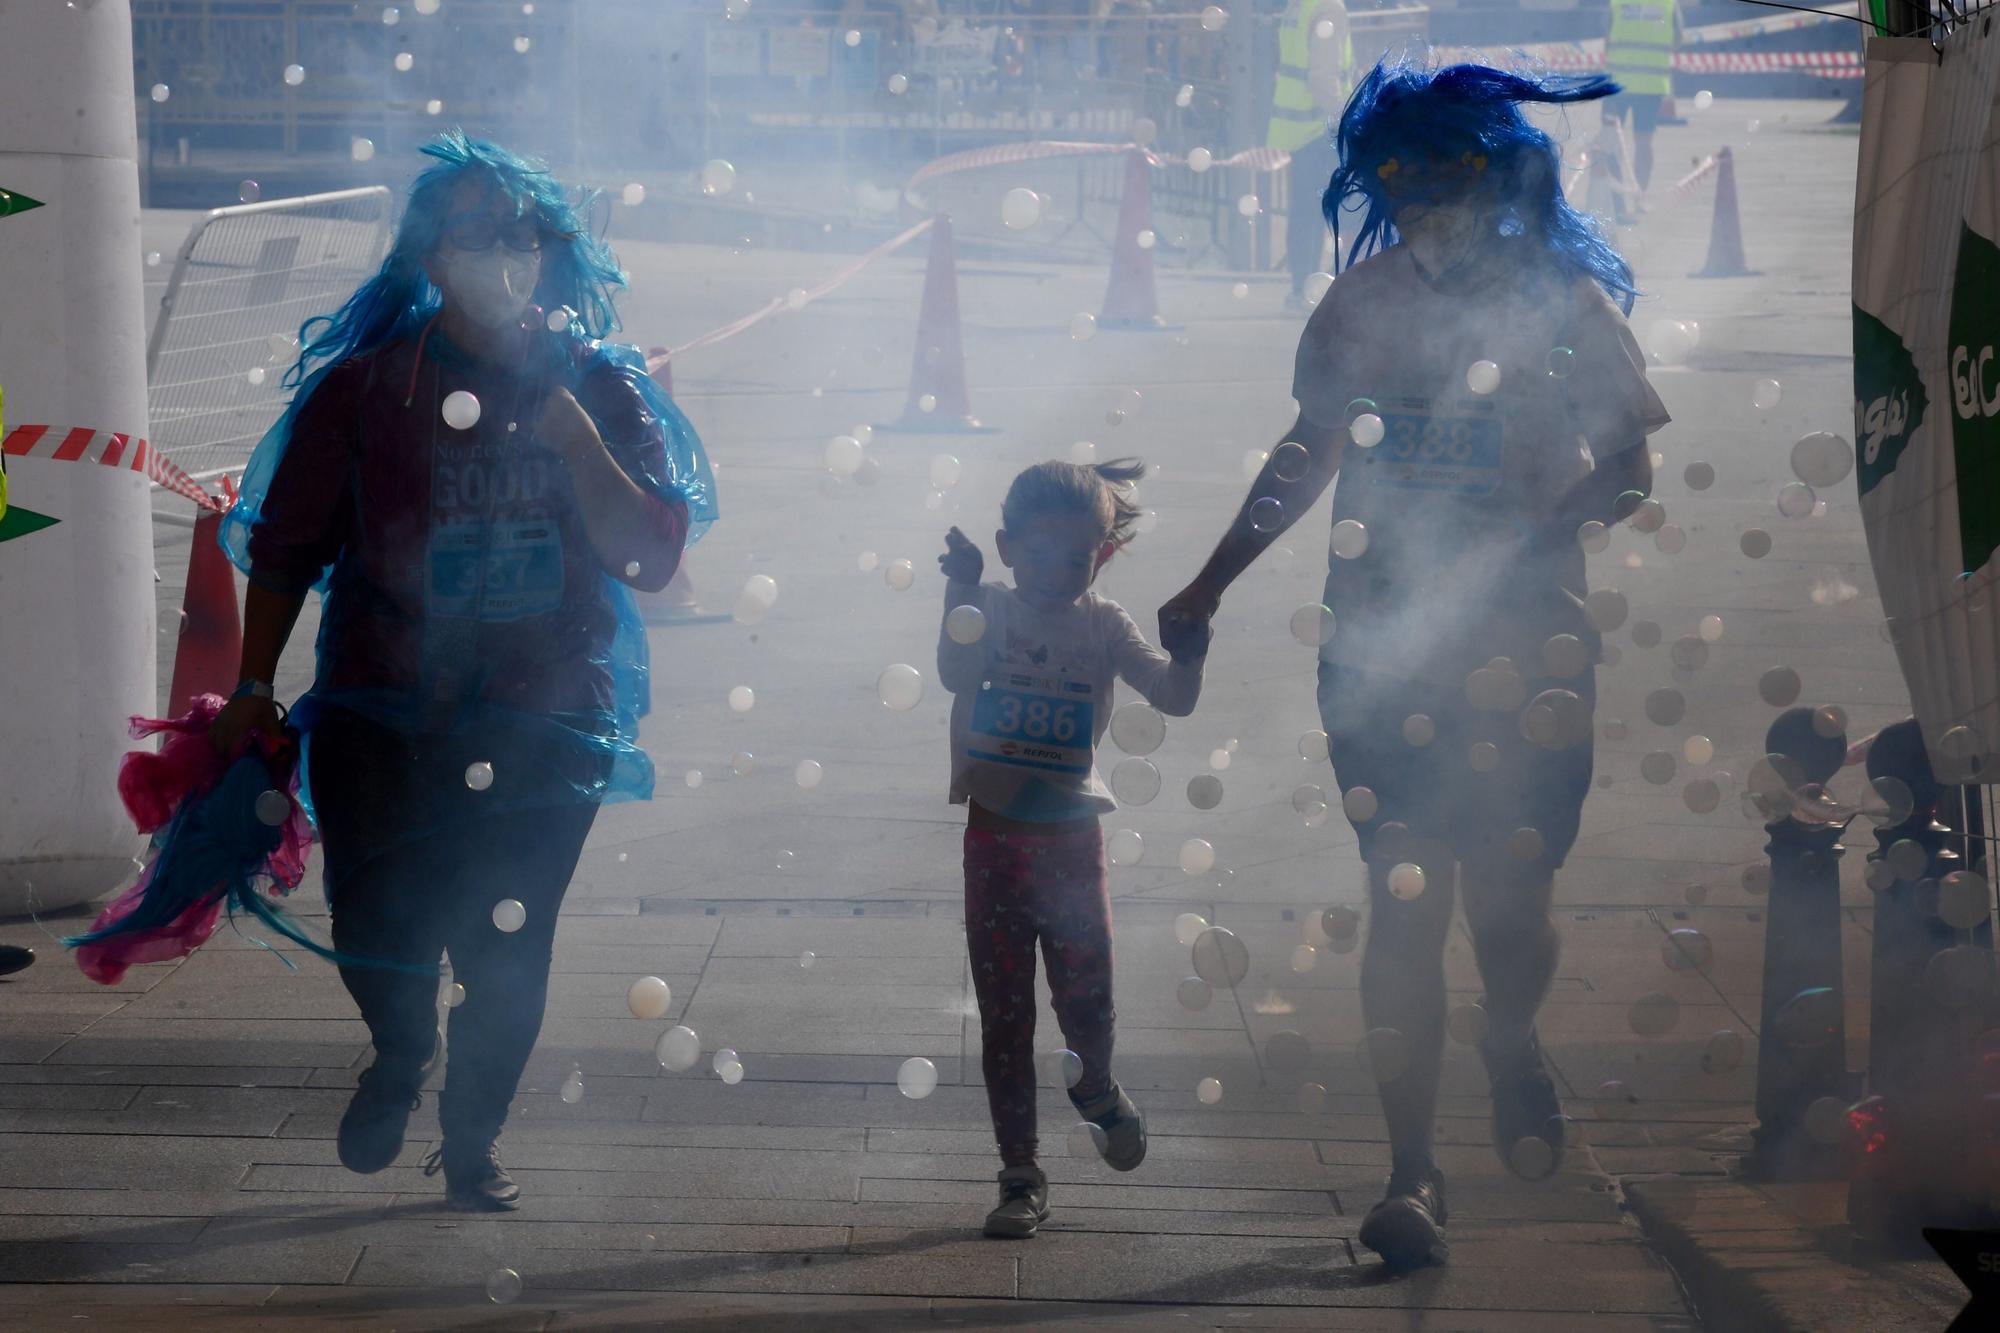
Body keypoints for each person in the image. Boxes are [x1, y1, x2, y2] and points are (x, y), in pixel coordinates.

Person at [1161, 61, 1671, 1270]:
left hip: (1527, 644)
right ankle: (1409, 1173)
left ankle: (1508, 1032)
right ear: (1377, 185)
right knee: (1402, 896)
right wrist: (1209, 577)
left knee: (1507, 906)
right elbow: (1308, 448)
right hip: (1380, 652)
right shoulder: (1359, 307)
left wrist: (1524, 542)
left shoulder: (1562, 304)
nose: (1425, 204)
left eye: (1444, 177)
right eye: (1400, 180)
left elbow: (1631, 471)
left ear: (1487, 176)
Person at [207, 133, 717, 1212]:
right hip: (383, 710)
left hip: (543, 721)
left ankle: (473, 1138)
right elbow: (289, 545)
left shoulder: (599, 388)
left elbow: (653, 555)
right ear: (427, 258)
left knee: (508, 946)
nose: (500, 253)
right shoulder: (365, 392)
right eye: (473, 233)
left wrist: (578, 443)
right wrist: (252, 684)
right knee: (378, 926)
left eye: (520, 233)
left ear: (550, 252)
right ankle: (398, 1050)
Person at [936, 460, 1208, 1239]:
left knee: (1087, 997)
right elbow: (956, 671)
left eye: (1078, 554)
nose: (1059, 569)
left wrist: (1190, 648)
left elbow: (1174, 698)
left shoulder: (1104, 625)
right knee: (1004, 1011)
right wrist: (959, 589)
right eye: (1041, 551)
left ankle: (1096, 1083)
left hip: (1070, 841)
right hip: (993, 840)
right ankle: (1019, 1171)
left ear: (1104, 555)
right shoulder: (988, 606)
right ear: (1007, 546)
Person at [1268, 0, 1352, 310]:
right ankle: (1311, 289)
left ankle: (1300, 287)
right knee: (1327, 210)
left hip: (1298, 127)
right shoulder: (1328, 9)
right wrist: (1344, 119)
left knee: (1303, 211)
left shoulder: (1300, 6)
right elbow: (1322, 77)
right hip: (1319, 127)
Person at [1603, 0, 1680, 216]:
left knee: (1611, 143)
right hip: (1651, 84)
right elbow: (1677, 39)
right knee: (1644, 143)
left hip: (1618, 83)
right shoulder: (1668, 5)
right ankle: (1640, 198)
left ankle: (1617, 203)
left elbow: (1607, 39)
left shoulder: (1617, 4)